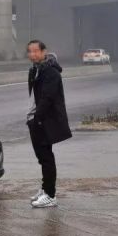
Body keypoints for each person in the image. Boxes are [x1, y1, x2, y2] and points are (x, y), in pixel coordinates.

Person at [26, 40, 72, 208]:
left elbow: (47, 99)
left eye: (36, 51)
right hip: (36, 120)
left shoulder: (51, 72)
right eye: (30, 51)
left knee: (46, 158)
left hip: (44, 121)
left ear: (44, 51)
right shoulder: (35, 70)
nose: (33, 55)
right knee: (42, 157)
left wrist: (37, 119)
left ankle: (50, 195)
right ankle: (46, 189)